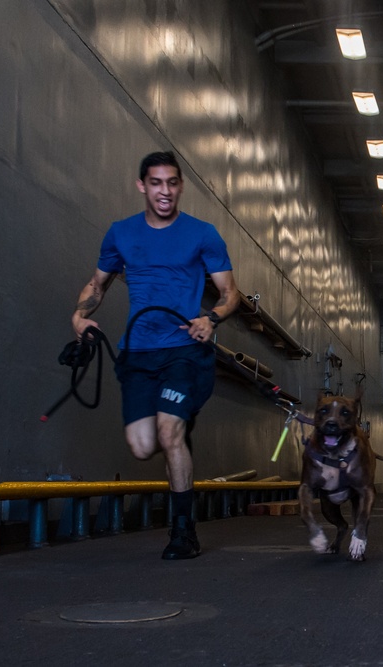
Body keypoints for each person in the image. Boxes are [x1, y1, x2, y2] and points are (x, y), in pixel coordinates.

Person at [71, 151, 240, 559]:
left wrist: (211, 319)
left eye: (172, 183)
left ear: (180, 186)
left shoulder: (203, 234)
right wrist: (78, 316)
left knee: (169, 433)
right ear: (142, 186)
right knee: (144, 447)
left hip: (184, 350)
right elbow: (98, 284)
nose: (165, 191)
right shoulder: (120, 233)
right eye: (156, 183)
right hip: (138, 353)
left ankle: (183, 533)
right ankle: (179, 433)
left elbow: (230, 294)